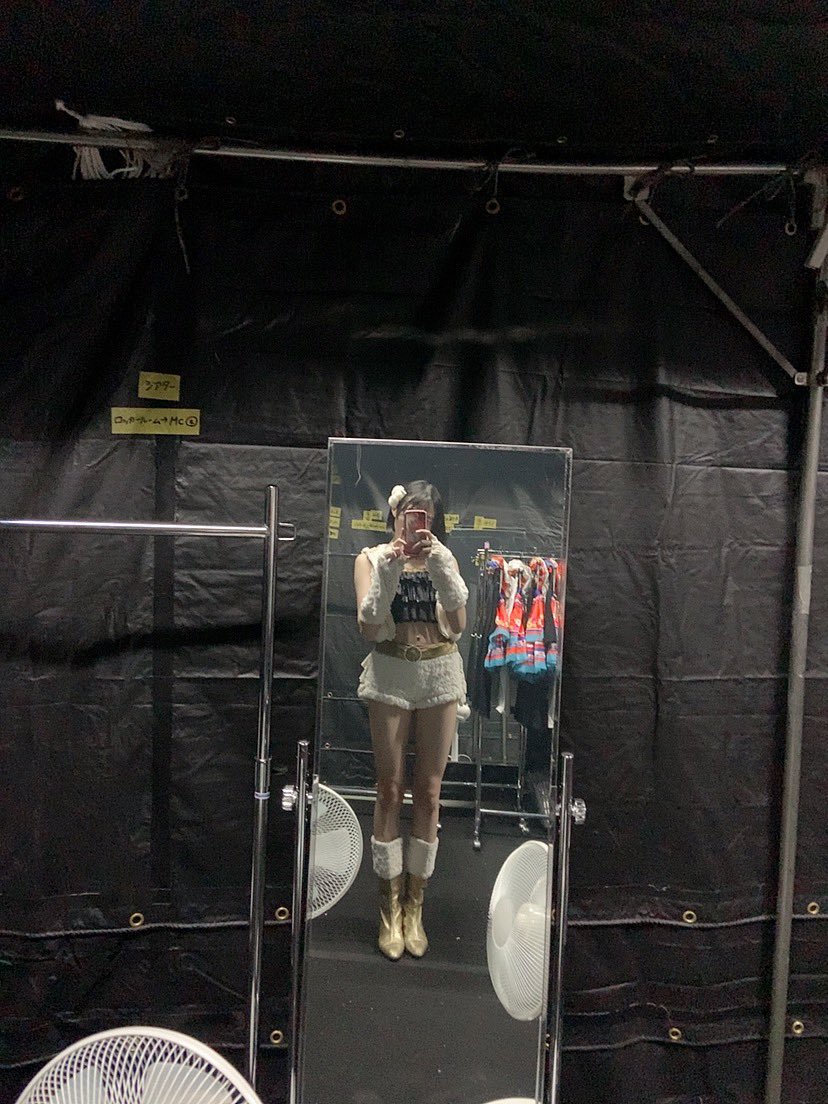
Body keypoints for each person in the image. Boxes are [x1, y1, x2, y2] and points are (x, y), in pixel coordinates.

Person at [353, 481, 469, 960]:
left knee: (430, 791)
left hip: (439, 670)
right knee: (388, 788)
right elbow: (368, 626)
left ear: (434, 522)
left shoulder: (444, 558)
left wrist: (440, 565)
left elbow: (458, 625)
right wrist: (391, 567)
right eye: (409, 514)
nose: (416, 524)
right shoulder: (371, 558)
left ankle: (414, 908)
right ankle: (389, 910)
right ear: (395, 515)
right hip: (391, 670)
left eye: (426, 516)